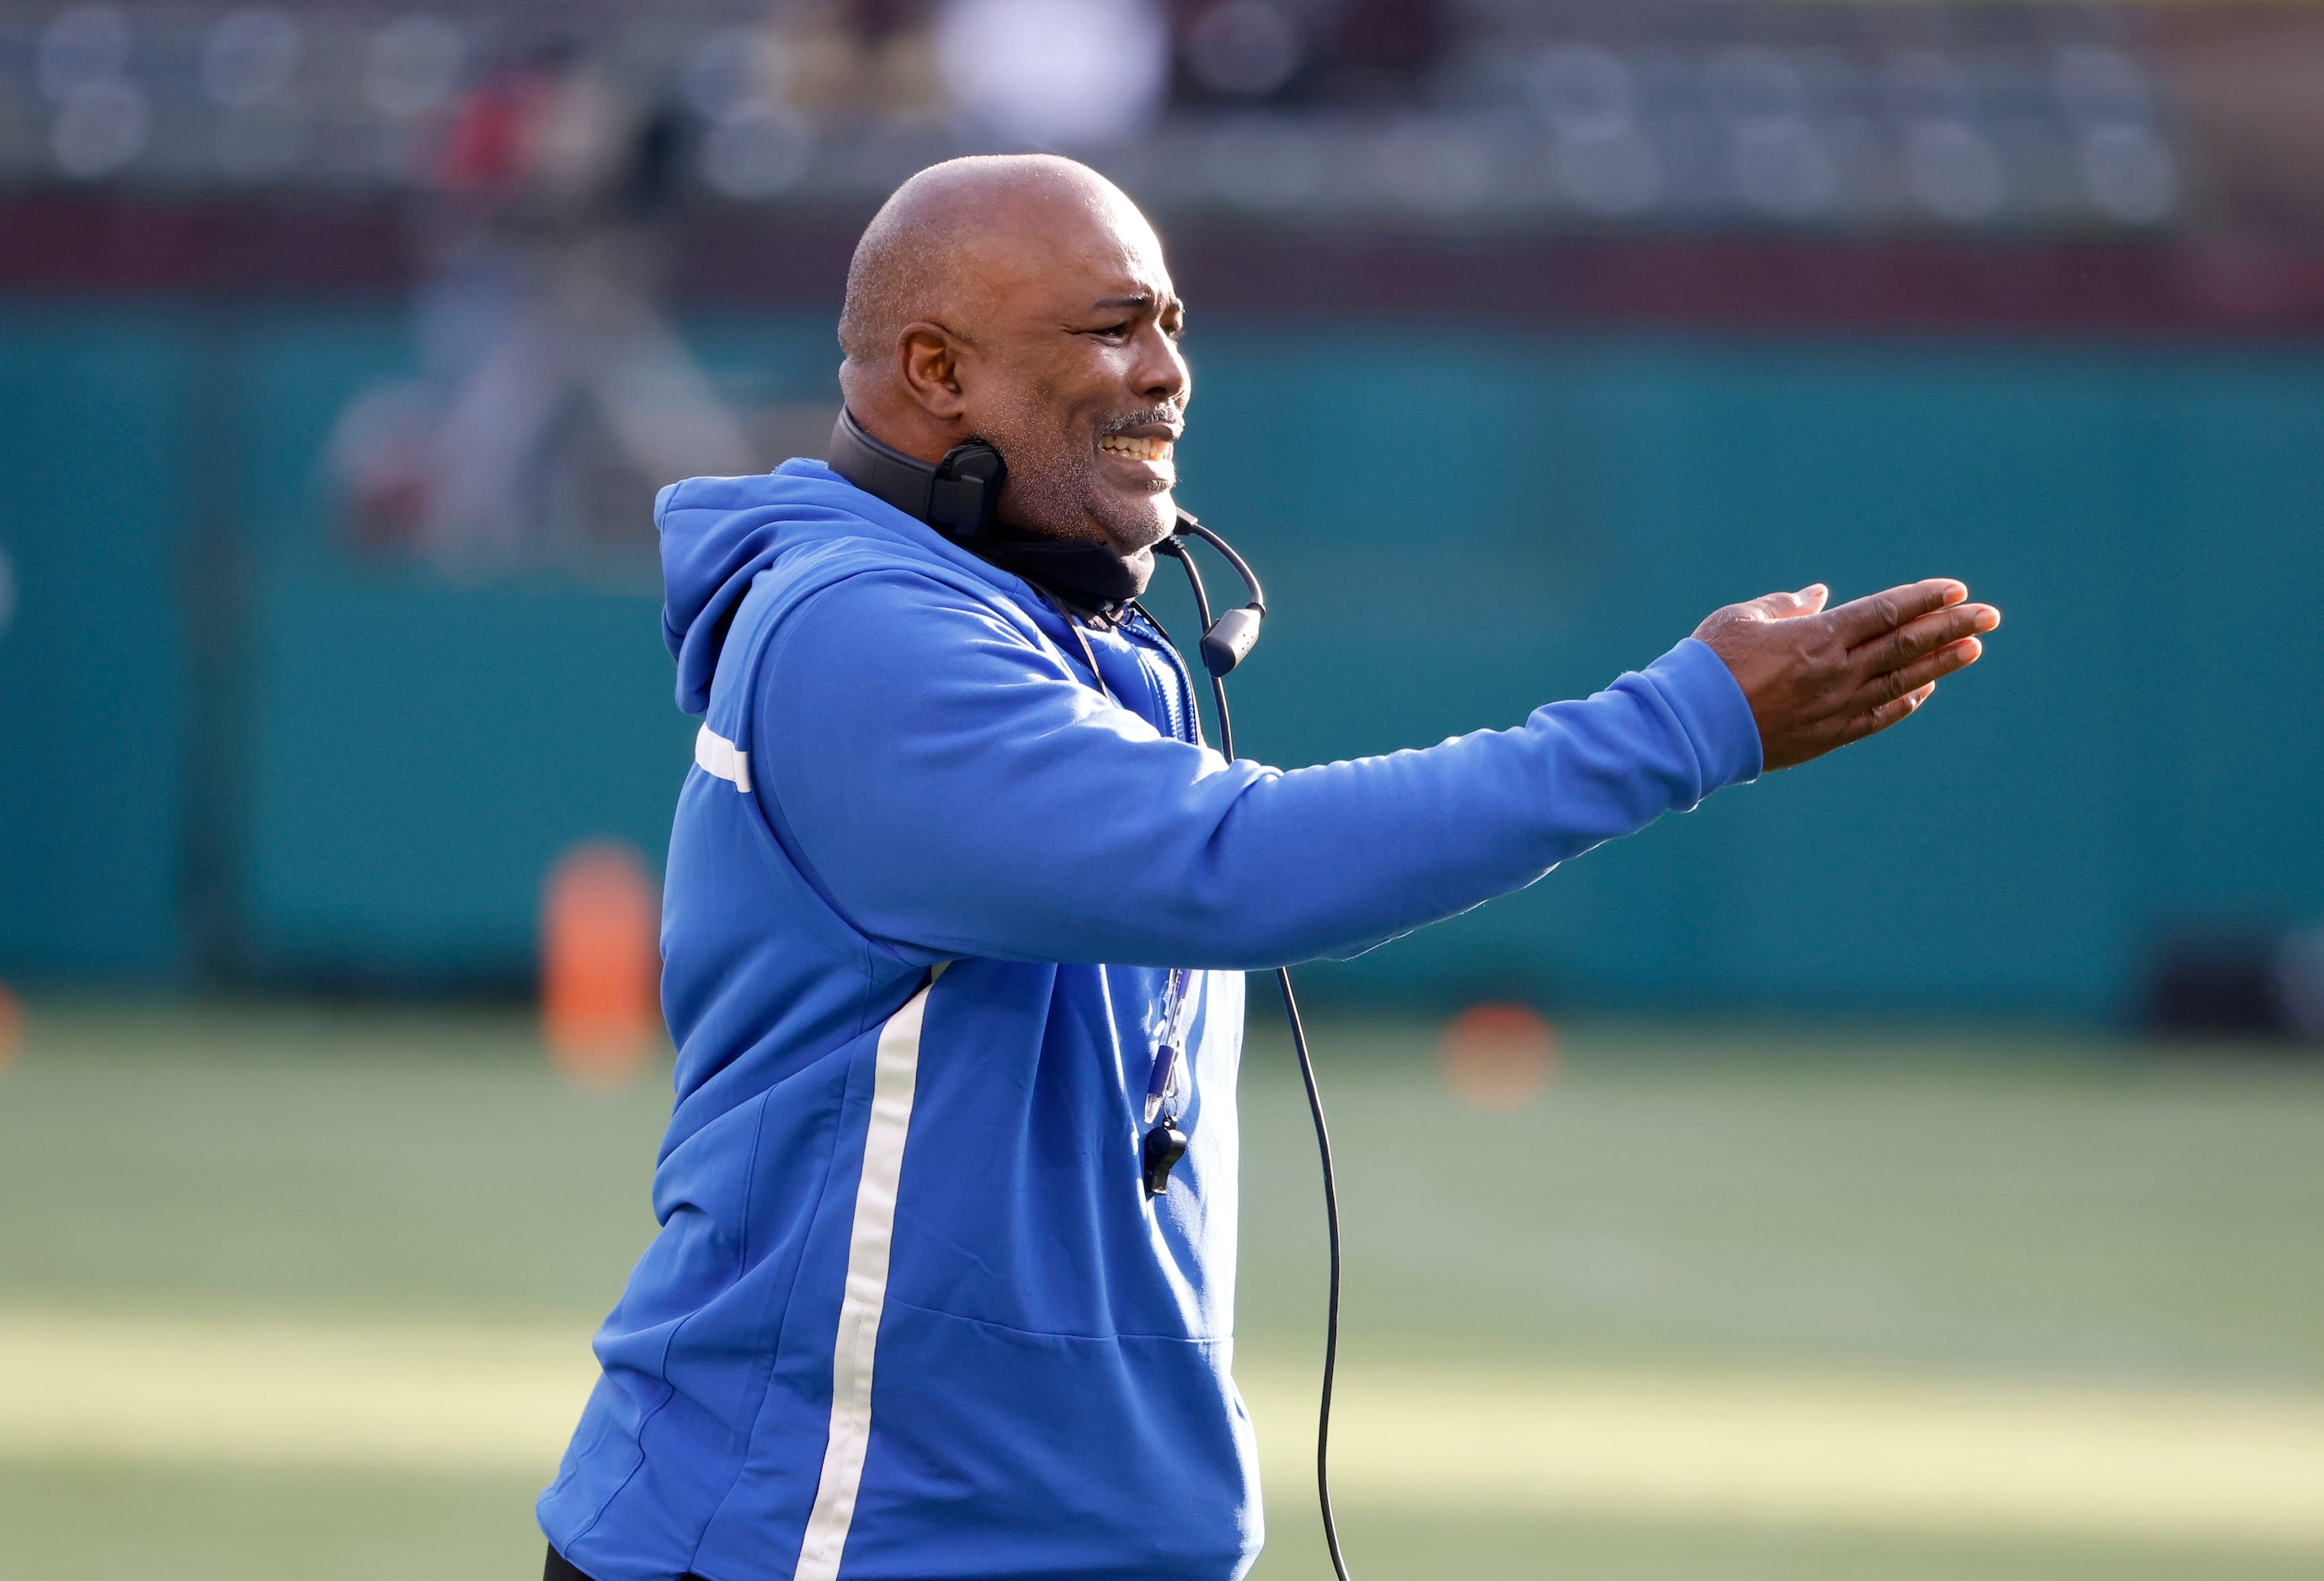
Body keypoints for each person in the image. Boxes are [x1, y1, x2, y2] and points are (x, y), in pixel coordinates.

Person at [538, 154, 1999, 1581]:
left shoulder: (1073, 635)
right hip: (826, 1531)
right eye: (1112, 325)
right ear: (937, 372)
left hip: (1069, 1533)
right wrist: (1685, 721)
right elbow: (1230, 862)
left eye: (1174, 323)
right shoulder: (857, 632)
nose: (1169, 370)